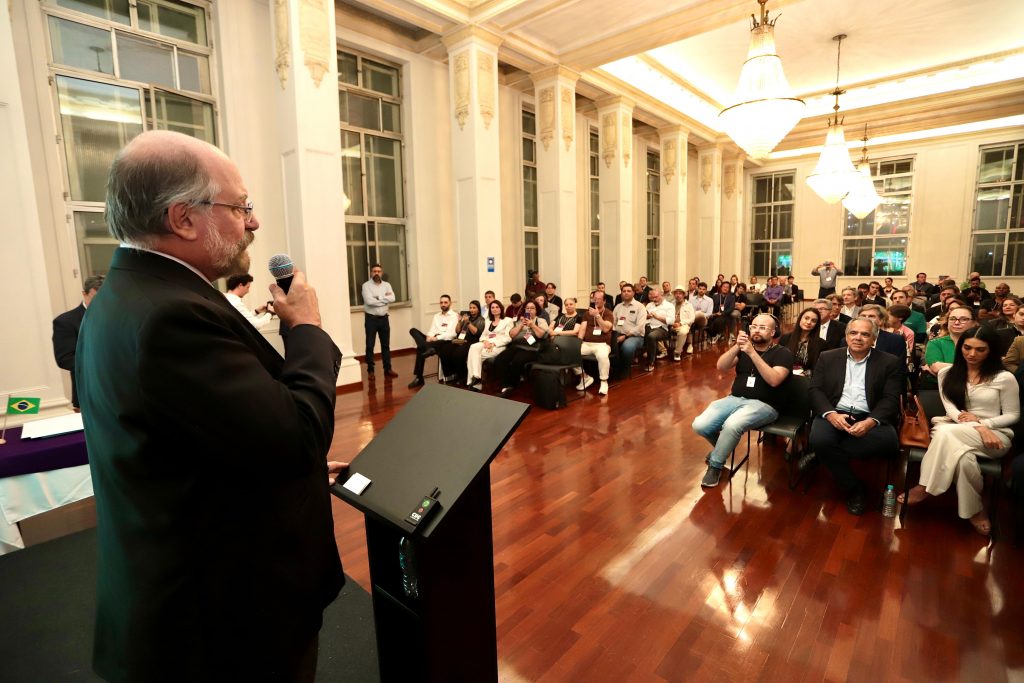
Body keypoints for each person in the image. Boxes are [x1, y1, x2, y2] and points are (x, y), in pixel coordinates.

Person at [76, 131, 344, 680]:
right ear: (184, 219)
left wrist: (277, 461)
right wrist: (308, 331)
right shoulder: (171, 316)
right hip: (224, 624)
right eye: (240, 206)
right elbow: (297, 437)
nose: (253, 222)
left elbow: (186, 436)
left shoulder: (127, 295)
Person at [900, 327, 1019, 535]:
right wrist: (977, 427)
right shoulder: (947, 373)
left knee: (944, 433)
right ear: (960, 347)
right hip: (957, 427)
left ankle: (925, 486)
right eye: (967, 347)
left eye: (980, 349)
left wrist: (985, 425)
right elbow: (952, 411)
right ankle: (975, 510)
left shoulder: (1004, 377)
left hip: (995, 436)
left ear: (991, 351)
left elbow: (1012, 415)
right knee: (964, 460)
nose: (972, 354)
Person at [807, 319, 904, 515]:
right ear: (846, 336)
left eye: (865, 334)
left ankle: (822, 455)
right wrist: (830, 414)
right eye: (853, 333)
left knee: (889, 443)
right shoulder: (828, 357)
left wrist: (870, 422)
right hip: (835, 412)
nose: (858, 338)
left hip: (869, 415)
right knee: (820, 439)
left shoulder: (889, 362)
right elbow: (815, 389)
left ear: (874, 339)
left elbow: (891, 398)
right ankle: (855, 490)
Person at [692, 314, 793, 488]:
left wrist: (752, 353)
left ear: (773, 332)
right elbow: (721, 367)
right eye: (754, 326)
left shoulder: (783, 353)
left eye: (762, 327)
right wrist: (736, 347)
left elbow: (774, 380)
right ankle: (721, 449)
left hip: (765, 405)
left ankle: (715, 465)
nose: (756, 330)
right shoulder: (743, 349)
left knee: (732, 425)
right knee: (700, 424)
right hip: (735, 399)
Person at [52, 274, 104, 410]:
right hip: (89, 395)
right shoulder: (66, 322)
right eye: (96, 298)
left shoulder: (119, 316)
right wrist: (106, 365)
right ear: (84, 294)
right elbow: (65, 359)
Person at [494, 301, 549, 395]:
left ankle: (512, 385)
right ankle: (505, 385)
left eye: (532, 308)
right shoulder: (519, 321)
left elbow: (541, 335)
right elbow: (512, 335)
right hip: (517, 346)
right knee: (499, 359)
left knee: (517, 361)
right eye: (527, 308)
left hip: (532, 349)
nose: (529, 310)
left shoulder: (541, 321)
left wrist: (532, 325)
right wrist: (520, 325)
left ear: (536, 310)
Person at [407, 294, 459, 388]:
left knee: (420, 349)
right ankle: (427, 347)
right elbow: (432, 330)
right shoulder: (436, 316)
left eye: (445, 302)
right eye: (441, 302)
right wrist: (429, 336)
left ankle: (419, 377)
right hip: (432, 340)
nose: (443, 304)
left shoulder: (454, 316)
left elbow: (452, 334)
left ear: (450, 303)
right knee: (413, 330)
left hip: (444, 340)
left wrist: (436, 338)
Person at [922, 306, 978, 389]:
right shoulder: (935, 343)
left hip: (978, 388)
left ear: (974, 323)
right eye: (952, 319)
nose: (957, 322)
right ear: (947, 322)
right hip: (942, 388)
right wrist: (975, 370)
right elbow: (937, 368)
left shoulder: (982, 344)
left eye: (963, 319)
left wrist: (947, 367)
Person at [467, 300, 513, 390]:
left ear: (501, 308)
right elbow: (483, 335)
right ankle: (477, 377)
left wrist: (493, 343)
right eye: (492, 307)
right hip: (486, 343)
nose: (495, 309)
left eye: (497, 307)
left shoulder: (508, 320)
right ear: (490, 309)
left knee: (475, 355)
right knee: (473, 347)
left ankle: (476, 380)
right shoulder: (488, 321)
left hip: (498, 345)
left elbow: (508, 338)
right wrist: (485, 341)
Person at [362, 263, 397, 379]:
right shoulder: (366, 286)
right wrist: (384, 300)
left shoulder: (387, 285)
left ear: (381, 273)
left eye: (378, 271)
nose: (376, 273)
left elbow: (393, 298)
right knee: (370, 345)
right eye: (374, 271)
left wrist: (378, 298)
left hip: (384, 319)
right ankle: (370, 370)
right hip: (371, 319)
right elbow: (369, 302)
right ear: (371, 273)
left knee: (386, 345)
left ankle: (388, 369)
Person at [437, 300, 485, 384]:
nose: (472, 310)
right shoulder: (467, 317)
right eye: (470, 308)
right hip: (460, 339)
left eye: (474, 308)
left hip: (472, 341)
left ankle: (463, 376)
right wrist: (459, 321)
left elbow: (476, 332)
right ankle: (451, 374)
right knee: (444, 350)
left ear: (478, 309)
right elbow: (457, 331)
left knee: (457, 354)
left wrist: (468, 322)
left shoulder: (481, 319)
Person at [576, 294, 614, 395]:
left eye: (599, 299)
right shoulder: (586, 314)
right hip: (587, 343)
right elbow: (583, 329)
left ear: (604, 301)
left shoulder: (608, 313)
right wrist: (578, 342)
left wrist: (597, 315)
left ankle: (604, 382)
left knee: (602, 356)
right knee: (570, 353)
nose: (596, 301)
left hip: (602, 344)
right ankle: (584, 376)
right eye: (594, 299)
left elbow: (606, 329)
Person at [612, 284, 648, 371]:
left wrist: (625, 336)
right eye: (624, 291)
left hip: (635, 336)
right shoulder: (618, 307)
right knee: (607, 343)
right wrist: (613, 334)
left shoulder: (640, 307)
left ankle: (625, 370)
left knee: (627, 346)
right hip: (618, 334)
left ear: (633, 293)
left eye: (628, 291)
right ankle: (614, 367)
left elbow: (640, 327)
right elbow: (613, 322)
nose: (626, 293)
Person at [779, 307, 823, 375]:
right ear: (800, 319)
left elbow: (819, 368)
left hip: (807, 380)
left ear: (816, 324)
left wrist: (805, 374)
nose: (809, 322)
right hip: (786, 376)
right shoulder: (785, 338)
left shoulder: (821, 344)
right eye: (806, 318)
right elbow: (779, 361)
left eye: (813, 321)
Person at [643, 287, 674, 371]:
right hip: (649, 326)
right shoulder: (649, 305)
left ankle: (651, 362)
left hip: (662, 329)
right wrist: (647, 316)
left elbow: (671, 321)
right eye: (652, 297)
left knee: (651, 336)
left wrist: (657, 317)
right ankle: (642, 355)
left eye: (656, 297)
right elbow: (643, 317)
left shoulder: (669, 306)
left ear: (661, 295)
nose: (654, 299)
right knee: (641, 332)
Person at [670, 287, 696, 360]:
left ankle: (677, 353)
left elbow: (692, 319)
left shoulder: (689, 305)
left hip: (683, 325)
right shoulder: (671, 304)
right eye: (676, 293)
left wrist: (680, 323)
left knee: (683, 331)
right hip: (670, 324)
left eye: (680, 293)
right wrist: (671, 322)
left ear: (684, 295)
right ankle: (663, 350)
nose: (678, 295)